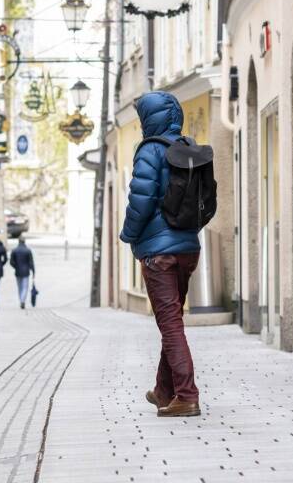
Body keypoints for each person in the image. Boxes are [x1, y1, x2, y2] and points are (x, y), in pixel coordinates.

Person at [119, 91, 202, 417]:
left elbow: (141, 200)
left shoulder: (151, 150)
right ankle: (164, 390)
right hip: (188, 248)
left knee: (170, 325)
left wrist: (128, 234)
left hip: (159, 254)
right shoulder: (187, 147)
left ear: (147, 120)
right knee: (173, 321)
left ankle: (187, 396)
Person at [9, 236, 35, 309]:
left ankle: (21, 300)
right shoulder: (28, 250)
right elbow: (31, 262)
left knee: (20, 287)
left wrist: (15, 267)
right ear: (24, 242)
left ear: (19, 241)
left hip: (18, 271)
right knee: (25, 287)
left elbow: (11, 262)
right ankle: (22, 300)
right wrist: (33, 271)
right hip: (26, 271)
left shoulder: (14, 250)